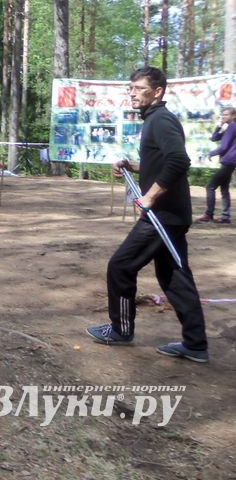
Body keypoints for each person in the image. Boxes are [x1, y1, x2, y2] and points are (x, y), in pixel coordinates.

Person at [86, 66, 208, 363]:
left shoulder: (161, 120)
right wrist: (133, 165)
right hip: (171, 215)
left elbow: (179, 160)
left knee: (121, 265)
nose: (132, 93)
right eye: (131, 88)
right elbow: (162, 162)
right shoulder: (155, 120)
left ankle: (121, 330)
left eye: (139, 88)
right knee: (175, 277)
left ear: (158, 92)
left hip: (162, 216)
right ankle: (196, 345)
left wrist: (150, 197)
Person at [196, 107, 235, 224]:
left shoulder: (233, 126)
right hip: (229, 162)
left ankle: (209, 214)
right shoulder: (229, 127)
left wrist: (211, 153)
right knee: (224, 188)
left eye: (226, 115)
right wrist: (219, 125)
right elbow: (214, 138)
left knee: (210, 186)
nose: (223, 117)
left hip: (229, 161)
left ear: (234, 115)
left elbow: (224, 146)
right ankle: (225, 216)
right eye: (222, 115)